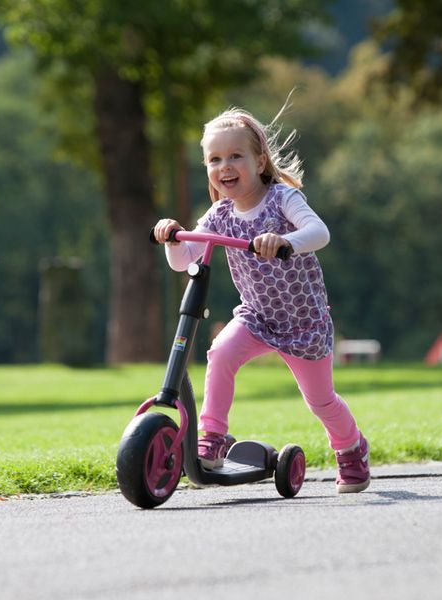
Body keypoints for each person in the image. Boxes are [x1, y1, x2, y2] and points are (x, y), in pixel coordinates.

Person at [153, 103, 370, 493]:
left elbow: (319, 233)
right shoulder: (220, 213)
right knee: (220, 353)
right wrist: (173, 236)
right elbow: (182, 260)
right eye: (214, 159)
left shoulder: (282, 199)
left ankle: (351, 449)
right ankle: (213, 437)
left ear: (259, 160)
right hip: (257, 317)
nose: (225, 166)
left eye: (235, 156)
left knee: (321, 401)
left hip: (304, 321)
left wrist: (284, 240)